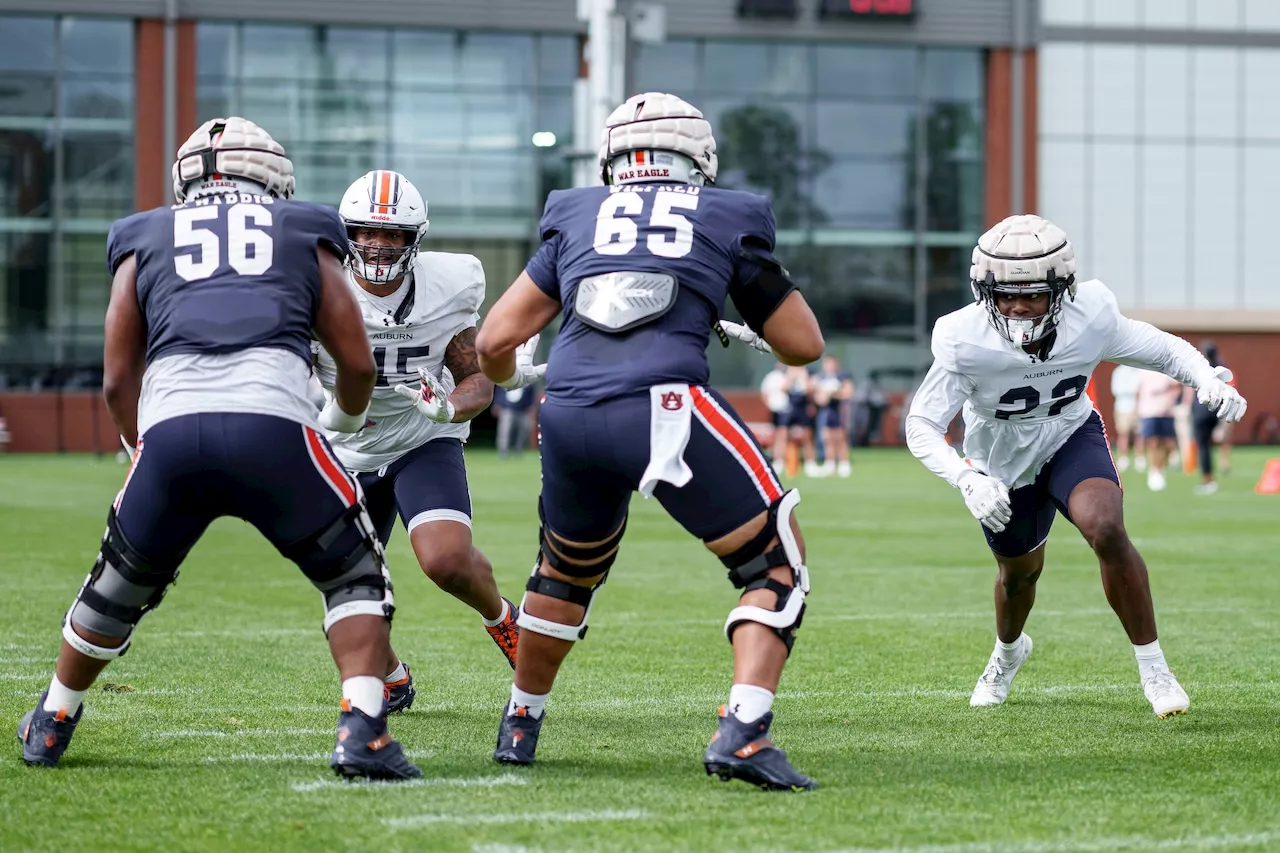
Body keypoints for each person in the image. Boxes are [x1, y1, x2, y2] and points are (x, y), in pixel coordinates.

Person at [16, 118, 420, 778]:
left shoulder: (145, 233)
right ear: (272, 180)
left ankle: (54, 716)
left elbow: (119, 375)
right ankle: (363, 732)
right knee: (354, 574)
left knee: (117, 583)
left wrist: (140, 450)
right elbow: (355, 360)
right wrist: (338, 419)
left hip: (172, 427)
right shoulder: (300, 227)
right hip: (272, 423)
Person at [474, 92, 825, 790]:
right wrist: (720, 300)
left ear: (613, 160)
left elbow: (492, 342)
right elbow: (802, 345)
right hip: (664, 405)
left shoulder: (577, 213)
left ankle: (521, 720)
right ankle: (745, 732)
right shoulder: (724, 213)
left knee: (562, 576)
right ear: (698, 157)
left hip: (568, 410)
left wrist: (516, 372)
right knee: (774, 565)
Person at [904, 214, 1246, 720]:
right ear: (984, 292)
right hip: (1001, 460)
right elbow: (921, 423)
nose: (1017, 307)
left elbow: (1163, 349)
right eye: (1005, 296)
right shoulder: (963, 338)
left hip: (1069, 433)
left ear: (1062, 289)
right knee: (1019, 577)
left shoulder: (1092, 314)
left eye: (1033, 294)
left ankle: (1154, 667)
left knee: (1106, 528)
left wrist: (1205, 379)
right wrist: (966, 476)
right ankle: (1007, 653)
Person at [312, 171, 540, 711]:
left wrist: (449, 406)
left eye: (393, 234)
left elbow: (477, 380)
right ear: (346, 234)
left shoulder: (449, 284)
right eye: (366, 232)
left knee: (446, 560)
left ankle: (504, 620)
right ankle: (390, 676)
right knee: (347, 584)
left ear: (416, 238)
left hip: (421, 435)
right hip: (343, 448)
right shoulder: (315, 286)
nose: (377, 245)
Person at [1186, 340, 1233, 495]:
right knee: (1216, 442)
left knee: (1203, 447)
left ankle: (1208, 479)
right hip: (1217, 409)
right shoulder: (1221, 367)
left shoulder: (1201, 367)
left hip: (1202, 410)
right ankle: (1222, 465)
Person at [1135, 368, 1182, 491]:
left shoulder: (1165, 369)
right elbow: (1138, 391)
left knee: (1167, 443)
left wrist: (1169, 402)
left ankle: (1160, 468)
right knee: (1153, 442)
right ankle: (1154, 471)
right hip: (1148, 412)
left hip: (1166, 412)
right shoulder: (1142, 371)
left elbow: (1176, 387)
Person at [812, 355, 854, 477]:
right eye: (827, 364)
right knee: (827, 438)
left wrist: (834, 394)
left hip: (839, 411)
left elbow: (848, 392)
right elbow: (818, 398)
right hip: (826, 412)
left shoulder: (842, 377)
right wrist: (823, 397)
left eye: (831, 363)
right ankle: (829, 463)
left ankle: (844, 464)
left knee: (840, 437)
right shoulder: (820, 378)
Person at [1109, 364, 1142, 472]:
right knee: (1123, 433)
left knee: (1139, 434)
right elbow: (1116, 390)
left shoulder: (1139, 370)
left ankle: (1139, 458)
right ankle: (1124, 458)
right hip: (1122, 407)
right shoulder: (1118, 371)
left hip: (1138, 407)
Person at [495, 383, 539, 459]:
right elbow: (499, 392)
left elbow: (532, 394)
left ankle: (518, 450)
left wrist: (531, 407)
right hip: (507, 409)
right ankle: (503, 452)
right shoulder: (504, 378)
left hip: (523, 410)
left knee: (523, 431)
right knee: (505, 431)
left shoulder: (528, 379)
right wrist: (497, 403)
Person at [759, 362, 790, 469]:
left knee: (783, 435)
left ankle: (781, 460)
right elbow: (764, 393)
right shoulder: (771, 377)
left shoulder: (787, 375)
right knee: (776, 435)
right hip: (775, 410)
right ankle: (776, 459)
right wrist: (769, 405)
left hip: (785, 410)